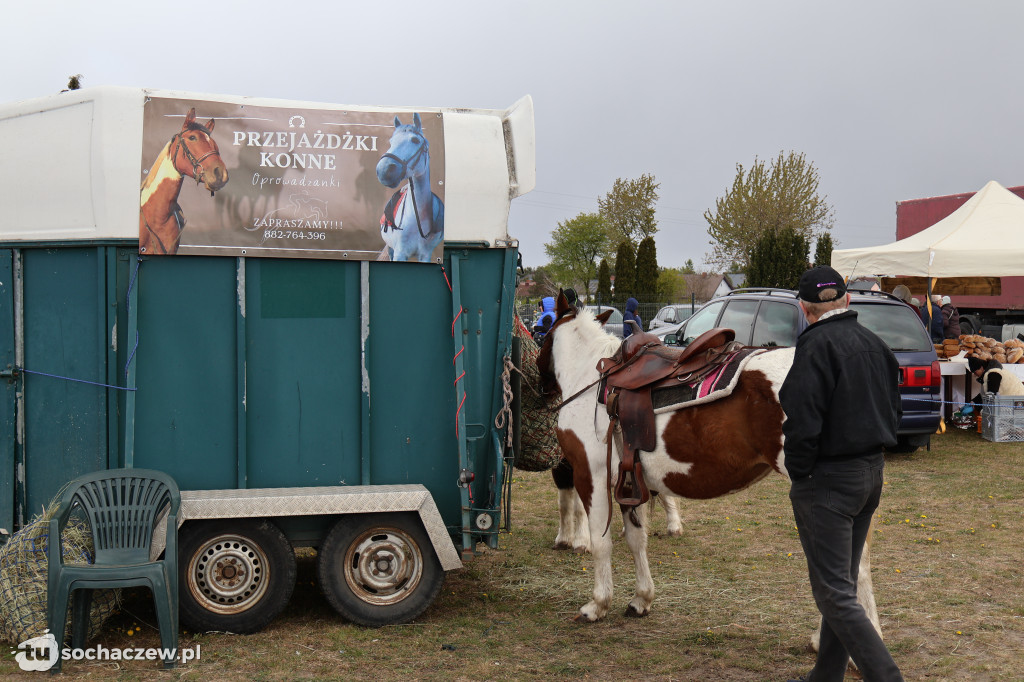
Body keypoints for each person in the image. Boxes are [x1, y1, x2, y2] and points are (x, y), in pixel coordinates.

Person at [780, 266, 904, 682]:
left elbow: (801, 421)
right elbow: (895, 409)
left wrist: (801, 474)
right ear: (847, 300)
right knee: (842, 585)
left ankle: (887, 677)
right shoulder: (875, 343)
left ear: (803, 308)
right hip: (871, 474)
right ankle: (825, 675)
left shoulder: (814, 348)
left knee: (833, 592)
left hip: (829, 480)